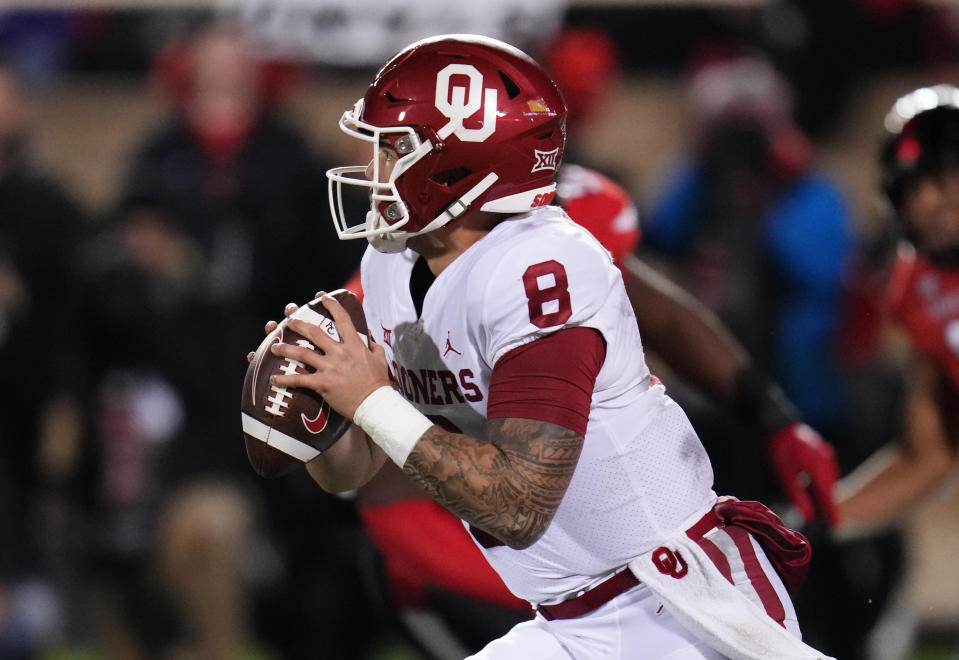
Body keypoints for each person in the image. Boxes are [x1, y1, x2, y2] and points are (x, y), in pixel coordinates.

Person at [261, 34, 832, 659]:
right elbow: (357, 469)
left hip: (677, 605)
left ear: (460, 162)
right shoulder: (391, 266)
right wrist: (320, 407)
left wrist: (368, 399)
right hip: (567, 619)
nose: (372, 169)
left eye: (395, 147)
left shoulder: (544, 267)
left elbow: (517, 505)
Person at [335, 162, 840, 658]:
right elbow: (375, 478)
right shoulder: (399, 276)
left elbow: (663, 317)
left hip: (667, 589)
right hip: (532, 589)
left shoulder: (553, 248)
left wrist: (775, 419)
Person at [834, 84, 959, 536]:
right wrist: (807, 526)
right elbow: (929, 457)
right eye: (914, 189)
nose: (929, 204)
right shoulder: (917, 286)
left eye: (945, 180)